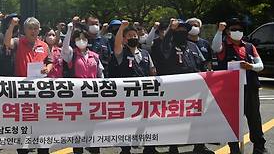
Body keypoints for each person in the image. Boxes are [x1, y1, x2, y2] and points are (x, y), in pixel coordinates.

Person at [213, 19, 268, 154]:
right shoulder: (223, 46)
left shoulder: (249, 46)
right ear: (228, 31)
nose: (237, 31)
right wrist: (219, 31)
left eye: (240, 29)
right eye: (234, 29)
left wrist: (251, 66)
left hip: (251, 88)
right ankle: (234, 148)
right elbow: (215, 47)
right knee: (233, 120)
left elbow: (260, 66)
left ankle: (259, 147)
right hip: (231, 90)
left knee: (254, 117)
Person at [3, 16, 52, 154]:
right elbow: (7, 42)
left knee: (42, 124)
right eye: (30, 28)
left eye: (36, 28)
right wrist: (12, 26)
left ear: (39, 30)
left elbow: (50, 61)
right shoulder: (18, 42)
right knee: (24, 125)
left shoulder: (44, 45)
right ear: (24, 30)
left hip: (40, 91)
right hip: (22, 91)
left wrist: (48, 69)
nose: (33, 31)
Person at [160, 19, 206, 154]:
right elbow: (164, 48)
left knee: (196, 117)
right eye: (179, 30)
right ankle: (173, 147)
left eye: (184, 30)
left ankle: (199, 145)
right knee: (175, 119)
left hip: (194, 88)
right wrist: (170, 30)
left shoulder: (193, 46)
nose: (182, 32)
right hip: (174, 88)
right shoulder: (168, 45)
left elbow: (201, 63)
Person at [112, 21, 157, 154]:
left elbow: (152, 71)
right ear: (125, 39)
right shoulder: (121, 53)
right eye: (130, 35)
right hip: (127, 93)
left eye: (135, 35)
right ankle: (125, 149)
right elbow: (117, 44)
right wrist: (122, 28)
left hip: (144, 93)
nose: (133, 38)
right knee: (126, 121)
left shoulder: (145, 53)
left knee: (146, 120)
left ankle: (149, 147)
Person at [61, 18, 103, 154]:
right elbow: (64, 50)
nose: (81, 40)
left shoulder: (95, 56)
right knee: (77, 129)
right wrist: (68, 31)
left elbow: (100, 74)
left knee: (93, 127)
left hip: (93, 97)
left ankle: (94, 149)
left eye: (84, 38)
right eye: (78, 38)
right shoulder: (72, 54)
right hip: (77, 98)